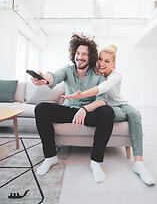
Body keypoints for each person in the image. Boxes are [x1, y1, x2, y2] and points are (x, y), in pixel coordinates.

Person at [62, 45, 156, 185]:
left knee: (134, 114)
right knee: (112, 113)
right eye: (100, 59)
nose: (102, 63)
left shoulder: (116, 76)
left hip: (121, 105)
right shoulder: (94, 72)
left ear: (113, 64)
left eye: (107, 61)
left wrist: (82, 94)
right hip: (106, 108)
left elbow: (103, 88)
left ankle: (138, 163)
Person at [32, 34, 115, 184]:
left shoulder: (98, 74)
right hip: (69, 111)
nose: (80, 57)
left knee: (108, 112)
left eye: (84, 54)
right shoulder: (68, 70)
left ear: (90, 57)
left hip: (89, 113)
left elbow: (102, 100)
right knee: (41, 108)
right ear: (73, 54)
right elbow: (54, 76)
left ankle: (95, 162)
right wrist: (44, 79)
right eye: (77, 53)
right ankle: (50, 156)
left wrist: (84, 109)